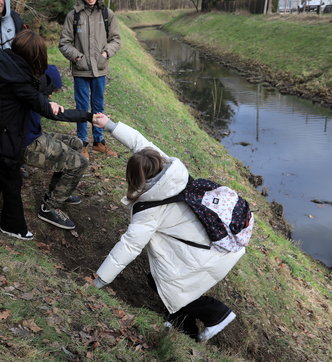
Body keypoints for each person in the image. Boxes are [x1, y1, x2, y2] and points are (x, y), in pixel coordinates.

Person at [91, 114, 244, 342]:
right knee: (159, 278)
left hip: (208, 254)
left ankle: (217, 314)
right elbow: (139, 143)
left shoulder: (151, 208)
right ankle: (183, 326)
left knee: (165, 282)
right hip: (214, 243)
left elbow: (130, 246)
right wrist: (109, 125)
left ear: (135, 178)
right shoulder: (167, 168)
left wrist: (99, 281)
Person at [0, 30, 91, 240]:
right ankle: (48, 209)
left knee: (73, 143)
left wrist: (45, 100)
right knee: (75, 164)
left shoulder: (1, 65)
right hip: (18, 139)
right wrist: (89, 116)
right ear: (35, 59)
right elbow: (51, 112)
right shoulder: (22, 84)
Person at [23, 65, 88, 230]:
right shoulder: (30, 95)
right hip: (27, 144)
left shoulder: (37, 95)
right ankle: (49, 207)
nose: (51, 95)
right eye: (51, 90)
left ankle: (57, 192)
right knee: (80, 163)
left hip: (35, 135)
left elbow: (59, 114)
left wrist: (89, 116)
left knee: (76, 143)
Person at [59, 0, 121, 159]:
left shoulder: (107, 14)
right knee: (82, 107)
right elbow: (64, 43)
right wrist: (78, 57)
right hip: (81, 71)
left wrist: (106, 54)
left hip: (100, 69)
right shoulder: (73, 15)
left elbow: (115, 39)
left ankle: (98, 141)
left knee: (98, 105)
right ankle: (82, 143)